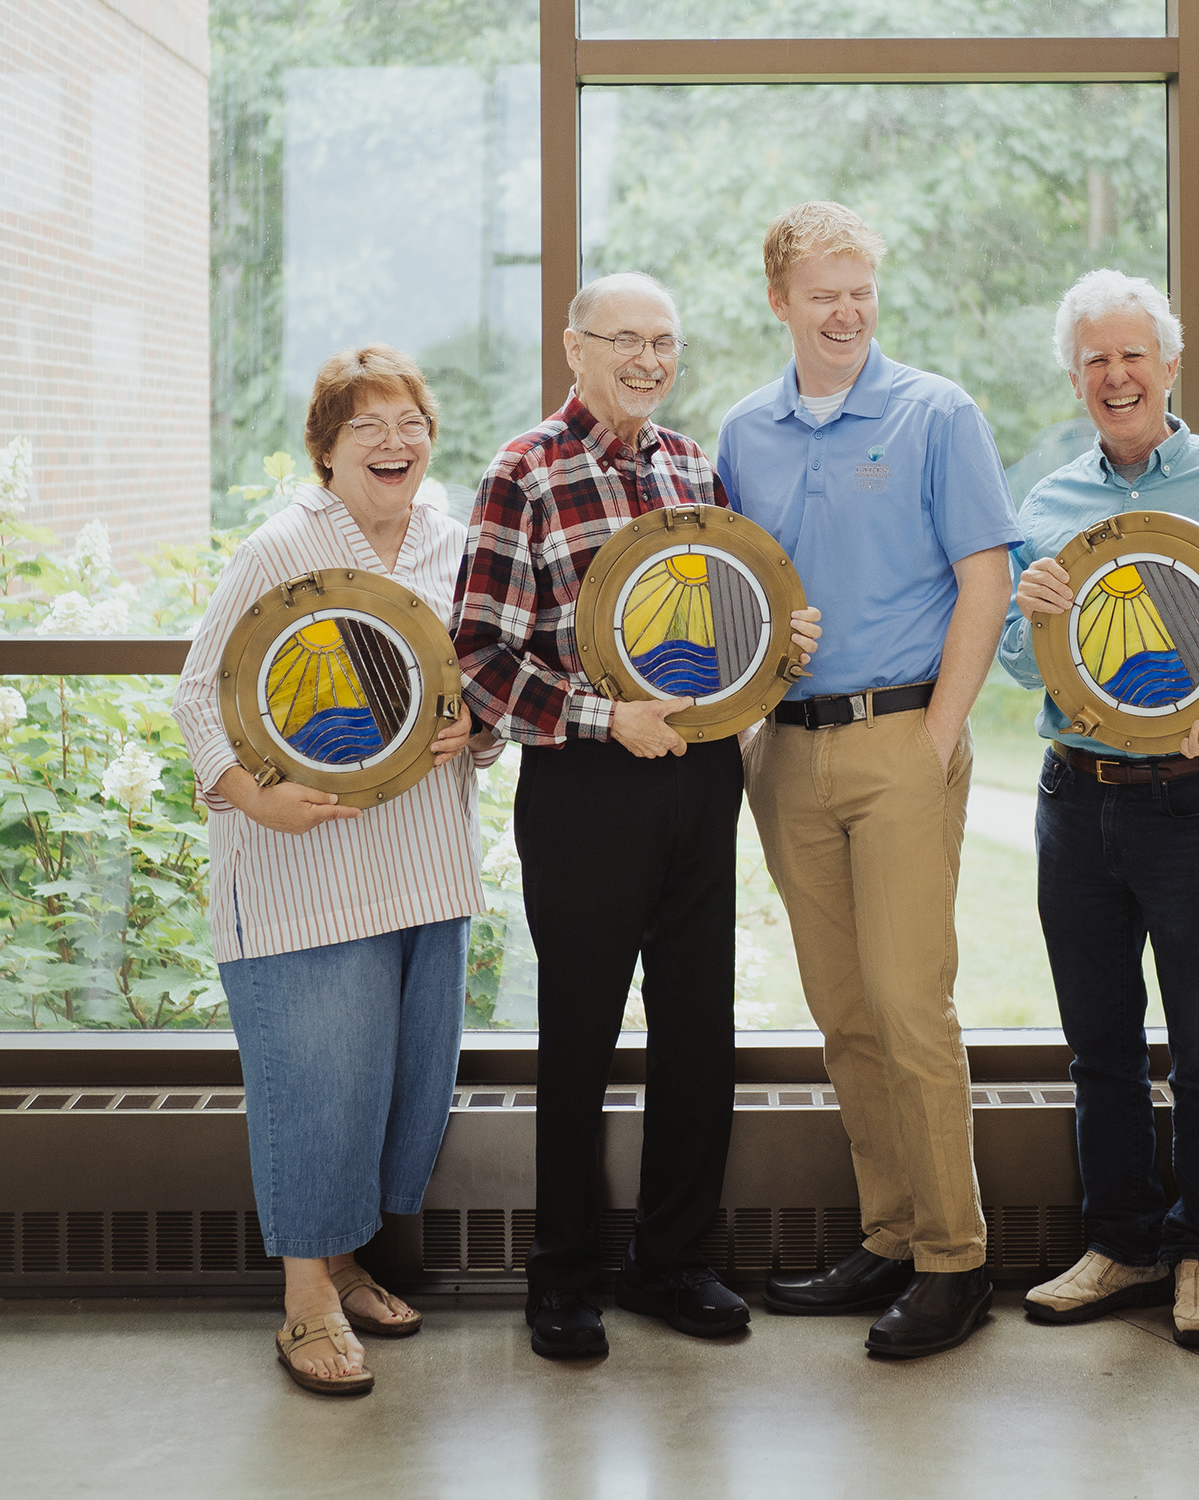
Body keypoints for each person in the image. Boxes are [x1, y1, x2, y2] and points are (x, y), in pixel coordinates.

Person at [451, 272, 821, 1360]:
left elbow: (721, 625)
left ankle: (673, 1263)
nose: (650, 360)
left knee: (700, 1033)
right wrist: (608, 718)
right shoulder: (523, 472)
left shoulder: (695, 469)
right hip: (585, 786)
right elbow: (480, 660)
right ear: (576, 347)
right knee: (579, 1037)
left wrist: (779, 646)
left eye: (665, 342)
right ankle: (562, 1278)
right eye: (627, 340)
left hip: (701, 780)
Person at [716, 202, 1023, 1359]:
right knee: (843, 1013)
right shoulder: (744, 432)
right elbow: (731, 591)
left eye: (862, 291)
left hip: (902, 739)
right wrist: (747, 732)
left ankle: (956, 1260)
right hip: (786, 751)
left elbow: (986, 581)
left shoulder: (937, 413)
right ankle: (890, 1237)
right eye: (823, 295)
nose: (847, 313)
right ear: (779, 302)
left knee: (908, 1005)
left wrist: (938, 737)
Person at [998, 269, 1199, 1348]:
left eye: (1133, 354)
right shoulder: (1047, 505)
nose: (1116, 375)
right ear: (1074, 379)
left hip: (1195, 800)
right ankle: (1122, 1242)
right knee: (1098, 1043)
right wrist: (1027, 610)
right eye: (1094, 359)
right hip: (1073, 799)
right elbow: (1021, 659)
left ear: (1171, 366)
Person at [173, 345, 500, 1395]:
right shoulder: (282, 549)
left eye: (410, 424)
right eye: (367, 427)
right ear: (325, 451)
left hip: (423, 865)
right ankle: (306, 1300)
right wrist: (253, 794)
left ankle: (348, 1263)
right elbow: (198, 693)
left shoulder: (456, 545)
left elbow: (477, 687)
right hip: (303, 869)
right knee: (317, 1084)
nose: (394, 443)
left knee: (393, 1086)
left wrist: (476, 730)